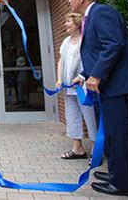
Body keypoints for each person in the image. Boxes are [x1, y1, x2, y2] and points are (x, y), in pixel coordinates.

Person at [70, 0, 128, 197]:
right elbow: (97, 50)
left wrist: (97, 75)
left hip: (116, 84)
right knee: (110, 132)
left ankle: (125, 184)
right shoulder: (90, 17)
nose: (69, 0)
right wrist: (84, 76)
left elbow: (113, 45)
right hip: (106, 85)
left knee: (118, 133)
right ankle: (117, 173)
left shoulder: (102, 12)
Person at [56, 13, 97, 161]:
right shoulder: (66, 41)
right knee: (72, 116)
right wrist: (60, 79)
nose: (65, 24)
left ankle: (95, 150)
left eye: (68, 21)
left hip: (83, 86)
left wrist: (81, 77)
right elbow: (61, 61)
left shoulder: (85, 41)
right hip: (68, 87)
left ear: (78, 24)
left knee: (90, 117)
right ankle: (77, 148)